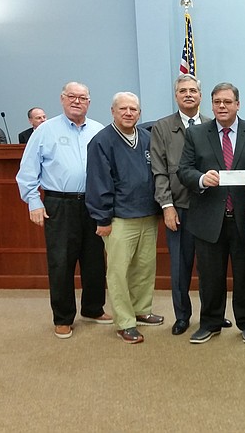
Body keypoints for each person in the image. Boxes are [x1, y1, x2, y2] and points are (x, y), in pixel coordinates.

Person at [15, 81, 112, 339]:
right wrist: (34, 202)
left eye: (82, 97)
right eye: (72, 96)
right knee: (61, 262)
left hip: (92, 203)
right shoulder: (45, 130)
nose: (77, 101)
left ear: (89, 102)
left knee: (94, 260)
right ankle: (63, 317)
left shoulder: (98, 130)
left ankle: (93, 308)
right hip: (59, 203)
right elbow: (27, 171)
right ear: (62, 99)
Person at [177, 82, 245, 344]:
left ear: (238, 104)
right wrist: (202, 179)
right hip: (208, 218)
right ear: (210, 105)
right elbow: (184, 170)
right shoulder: (197, 133)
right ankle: (210, 322)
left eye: (227, 102)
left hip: (244, 217)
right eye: (217, 102)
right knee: (210, 276)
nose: (222, 106)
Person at [86, 92, 163, 344]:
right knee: (119, 272)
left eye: (133, 109)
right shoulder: (101, 142)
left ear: (140, 113)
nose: (129, 113)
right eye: (123, 109)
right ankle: (125, 321)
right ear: (112, 111)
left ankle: (141, 309)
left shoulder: (148, 138)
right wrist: (102, 219)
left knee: (144, 267)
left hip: (147, 214)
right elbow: (98, 183)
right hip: (118, 219)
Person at [151, 74, 211, 336]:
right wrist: (166, 206)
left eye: (193, 90)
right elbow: (159, 171)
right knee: (180, 267)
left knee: (211, 267)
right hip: (179, 208)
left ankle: (212, 315)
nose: (188, 94)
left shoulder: (212, 124)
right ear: (176, 96)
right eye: (183, 91)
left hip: (209, 207)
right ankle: (182, 316)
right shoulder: (162, 127)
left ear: (200, 95)